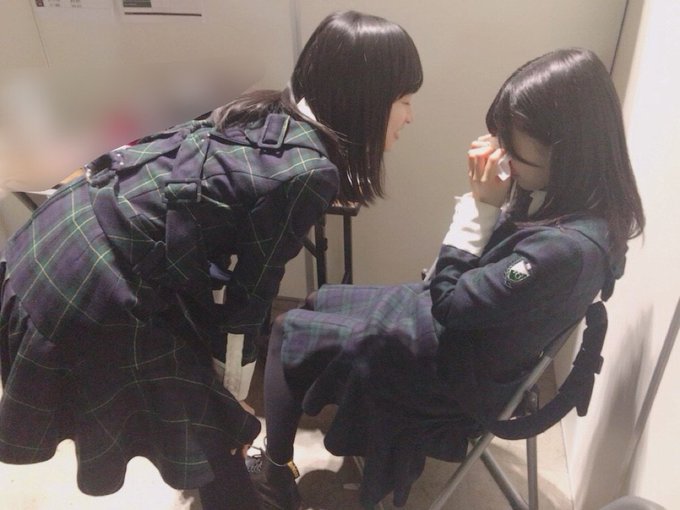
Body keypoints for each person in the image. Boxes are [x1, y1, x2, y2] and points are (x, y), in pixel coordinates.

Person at [0, 10, 422, 510]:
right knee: (214, 426)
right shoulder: (310, 171)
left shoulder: (267, 109)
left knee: (210, 418)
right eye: (403, 100)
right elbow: (252, 292)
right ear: (365, 98)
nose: (410, 116)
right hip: (95, 278)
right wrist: (235, 384)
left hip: (61, 227)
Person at [249, 47, 645, 509]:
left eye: (514, 151)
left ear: (565, 149)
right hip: (471, 342)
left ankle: (274, 471)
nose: (503, 158)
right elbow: (477, 287)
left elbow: (451, 302)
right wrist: (506, 194)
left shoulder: (565, 251)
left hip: (451, 372)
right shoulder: (587, 203)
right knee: (320, 300)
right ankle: (318, 402)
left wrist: (480, 207)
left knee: (287, 328)